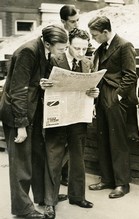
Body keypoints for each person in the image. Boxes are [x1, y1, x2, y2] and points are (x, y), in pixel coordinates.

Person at [0, 25, 68, 219]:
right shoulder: (28, 52)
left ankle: (41, 197)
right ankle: (22, 209)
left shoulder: (43, 50)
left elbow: (31, 80)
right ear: (48, 43)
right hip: (18, 114)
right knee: (21, 163)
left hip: (33, 111)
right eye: (61, 48)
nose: (63, 52)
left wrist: (41, 82)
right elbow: (17, 90)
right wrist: (21, 126)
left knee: (38, 156)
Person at [41, 28, 98, 219]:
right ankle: (50, 202)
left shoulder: (87, 63)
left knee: (78, 157)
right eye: (76, 49)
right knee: (53, 157)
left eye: (84, 49)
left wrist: (94, 93)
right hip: (57, 115)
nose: (81, 53)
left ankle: (77, 196)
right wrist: (42, 84)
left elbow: (90, 88)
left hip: (78, 116)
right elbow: (39, 83)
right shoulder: (53, 59)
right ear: (68, 45)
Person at [87, 16, 138, 198]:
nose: (93, 39)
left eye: (95, 35)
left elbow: (131, 75)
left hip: (115, 98)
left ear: (105, 32)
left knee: (118, 141)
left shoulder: (124, 45)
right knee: (103, 139)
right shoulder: (101, 48)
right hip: (101, 97)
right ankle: (107, 179)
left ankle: (122, 183)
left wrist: (117, 96)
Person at [59, 4, 80, 187]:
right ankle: (59, 174)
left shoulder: (77, 36)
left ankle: (65, 175)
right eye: (72, 22)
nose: (76, 24)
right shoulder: (58, 37)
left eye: (77, 20)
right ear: (63, 21)